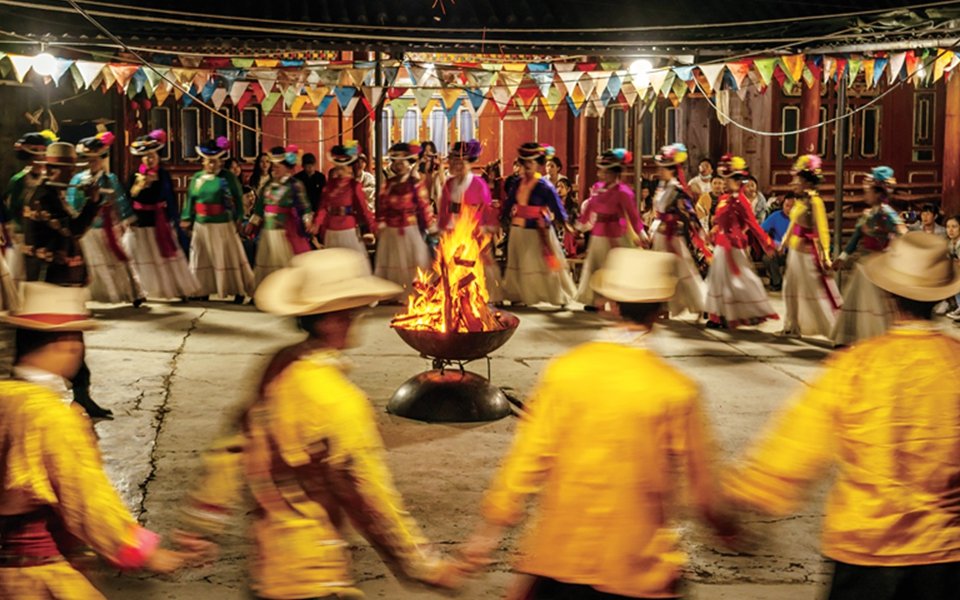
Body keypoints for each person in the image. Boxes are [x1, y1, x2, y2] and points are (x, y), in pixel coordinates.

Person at [177, 249, 462, 599]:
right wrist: (424, 564)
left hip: (268, 566)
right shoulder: (337, 399)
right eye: (353, 311)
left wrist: (204, 520)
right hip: (313, 573)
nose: (359, 316)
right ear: (334, 318)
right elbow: (370, 495)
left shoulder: (278, 367)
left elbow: (233, 446)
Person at [461, 248, 737, 600]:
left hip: (559, 563)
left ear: (608, 304)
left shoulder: (565, 372)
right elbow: (705, 494)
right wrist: (728, 527)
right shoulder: (676, 391)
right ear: (662, 311)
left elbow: (524, 464)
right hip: (636, 571)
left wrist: (484, 537)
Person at [725, 231, 960, 600]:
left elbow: (797, 444)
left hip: (864, 548)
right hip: (946, 555)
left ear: (887, 295)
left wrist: (748, 497)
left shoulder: (858, 365)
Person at [0, 282, 203, 599]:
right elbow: (86, 499)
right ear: (67, 343)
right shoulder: (53, 417)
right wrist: (144, 552)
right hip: (39, 576)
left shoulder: (6, 397)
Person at [23, 141, 113, 420]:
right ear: (53, 170)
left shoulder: (56, 195)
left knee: (72, 341)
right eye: (67, 169)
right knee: (38, 346)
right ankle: (25, 404)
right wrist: (92, 202)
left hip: (61, 281)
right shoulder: (43, 197)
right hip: (47, 281)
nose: (73, 173)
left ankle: (82, 396)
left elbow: (72, 233)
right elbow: (73, 229)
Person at [830, 166, 906, 346]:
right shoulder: (867, 214)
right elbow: (856, 238)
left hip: (879, 265)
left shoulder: (887, 214)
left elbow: (902, 233)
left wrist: (891, 251)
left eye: (868, 191)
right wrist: (842, 257)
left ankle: (876, 339)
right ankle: (851, 338)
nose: (866, 195)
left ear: (879, 193)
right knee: (855, 299)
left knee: (875, 304)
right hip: (864, 264)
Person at [68, 132, 146, 307]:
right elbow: (72, 203)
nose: (93, 162)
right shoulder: (77, 180)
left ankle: (133, 293)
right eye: (89, 159)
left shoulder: (110, 180)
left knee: (118, 259)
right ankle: (92, 296)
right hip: (87, 228)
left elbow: (119, 201)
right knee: (89, 263)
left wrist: (125, 220)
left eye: (96, 159)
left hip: (107, 226)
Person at [125, 130, 200, 301]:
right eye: (145, 156)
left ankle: (180, 289)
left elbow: (169, 198)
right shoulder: (134, 176)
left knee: (167, 257)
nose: (149, 159)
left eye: (152, 155)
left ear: (157, 156)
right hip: (140, 222)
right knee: (138, 258)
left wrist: (174, 219)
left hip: (159, 221)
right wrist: (138, 187)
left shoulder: (163, 175)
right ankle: (139, 291)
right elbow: (129, 197)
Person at [704, 156, 778, 329]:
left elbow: (752, 224)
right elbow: (719, 221)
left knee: (739, 281)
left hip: (734, 246)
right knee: (718, 280)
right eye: (723, 179)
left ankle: (748, 312)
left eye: (727, 179)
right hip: (721, 244)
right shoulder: (724, 198)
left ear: (736, 180)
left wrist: (767, 244)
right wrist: (713, 231)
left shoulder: (741, 201)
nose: (723, 182)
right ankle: (718, 316)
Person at [501, 142, 576, 307]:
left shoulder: (544, 186)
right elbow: (509, 203)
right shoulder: (517, 184)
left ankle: (557, 295)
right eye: (525, 163)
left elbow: (556, 205)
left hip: (538, 229)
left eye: (531, 162)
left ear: (537, 164)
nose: (527, 166)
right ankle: (518, 294)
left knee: (543, 264)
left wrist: (564, 223)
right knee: (519, 262)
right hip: (518, 229)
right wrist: (503, 217)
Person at [181, 138, 255, 302]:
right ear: (203, 161)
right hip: (201, 225)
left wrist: (239, 218)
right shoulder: (197, 178)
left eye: (215, 162)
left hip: (223, 225)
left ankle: (238, 290)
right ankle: (202, 289)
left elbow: (238, 197)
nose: (212, 165)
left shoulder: (227, 177)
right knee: (202, 257)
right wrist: (186, 218)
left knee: (228, 257)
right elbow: (190, 200)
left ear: (220, 162)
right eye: (208, 162)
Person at [780, 154, 842, 338]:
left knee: (814, 293)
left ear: (807, 182)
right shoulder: (800, 202)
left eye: (797, 179)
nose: (794, 183)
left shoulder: (815, 202)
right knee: (790, 289)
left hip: (807, 254)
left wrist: (826, 256)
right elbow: (793, 223)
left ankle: (833, 328)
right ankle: (792, 326)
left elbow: (822, 230)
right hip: (795, 252)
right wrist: (784, 240)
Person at [575, 148, 644, 307]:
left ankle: (618, 300)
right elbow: (590, 207)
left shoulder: (623, 192)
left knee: (615, 268)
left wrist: (641, 232)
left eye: (604, 172)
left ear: (614, 173)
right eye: (601, 171)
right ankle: (593, 300)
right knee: (594, 267)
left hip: (616, 234)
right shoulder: (598, 188)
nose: (600, 174)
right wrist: (580, 225)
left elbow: (633, 215)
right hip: (598, 232)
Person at [649, 143, 711, 318]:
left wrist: (700, 234)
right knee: (661, 272)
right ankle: (663, 307)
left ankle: (702, 303)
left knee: (685, 272)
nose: (660, 171)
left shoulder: (677, 190)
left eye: (664, 168)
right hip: (660, 233)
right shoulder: (661, 186)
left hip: (672, 236)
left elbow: (690, 214)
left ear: (672, 171)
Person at [439, 139, 502, 302]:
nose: (457, 165)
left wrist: (486, 229)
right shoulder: (448, 184)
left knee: (477, 266)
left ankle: (481, 296)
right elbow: (444, 209)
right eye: (454, 161)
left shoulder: (479, 184)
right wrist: (442, 227)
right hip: (453, 232)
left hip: (474, 232)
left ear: (469, 163)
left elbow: (487, 210)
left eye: (461, 162)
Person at [246, 145, 314, 290]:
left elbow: (305, 206)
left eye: (278, 166)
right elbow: (259, 206)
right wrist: (253, 223)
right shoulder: (268, 185)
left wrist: (307, 221)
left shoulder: (295, 185)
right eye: (273, 166)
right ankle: (265, 291)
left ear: (286, 167)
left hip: (285, 232)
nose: (274, 169)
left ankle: (287, 291)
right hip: (268, 231)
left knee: (284, 263)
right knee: (266, 261)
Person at [373, 142, 436, 297]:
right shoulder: (388, 185)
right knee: (392, 262)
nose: (399, 165)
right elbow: (382, 206)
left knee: (414, 264)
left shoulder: (416, 185)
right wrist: (379, 224)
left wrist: (430, 226)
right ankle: (391, 295)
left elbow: (423, 206)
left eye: (403, 162)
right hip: (390, 231)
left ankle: (414, 294)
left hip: (411, 230)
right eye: (396, 162)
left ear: (409, 164)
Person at [4, 130, 57, 284]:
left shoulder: (48, 179)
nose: (38, 160)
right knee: (22, 272)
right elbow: (11, 207)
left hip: (45, 234)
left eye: (41, 155)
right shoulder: (18, 180)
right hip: (23, 232)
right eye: (35, 156)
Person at [315, 142, 377, 256]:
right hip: (331, 230)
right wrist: (317, 224)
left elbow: (363, 209)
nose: (339, 171)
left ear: (349, 167)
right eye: (338, 167)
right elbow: (323, 207)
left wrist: (373, 227)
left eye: (342, 167)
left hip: (348, 229)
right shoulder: (329, 186)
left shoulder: (354, 186)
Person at [760, 193, 796, 292]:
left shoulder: (799, 218)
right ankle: (777, 282)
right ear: (783, 205)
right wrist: (771, 246)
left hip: (795, 250)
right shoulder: (775, 216)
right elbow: (762, 232)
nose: (790, 209)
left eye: (793, 207)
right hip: (778, 249)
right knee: (767, 258)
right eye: (787, 206)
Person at [418, 140, 444, 211]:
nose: (428, 153)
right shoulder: (417, 170)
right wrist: (419, 162)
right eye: (425, 151)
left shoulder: (437, 171)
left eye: (430, 150)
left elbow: (444, 184)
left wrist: (441, 166)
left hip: (435, 203)